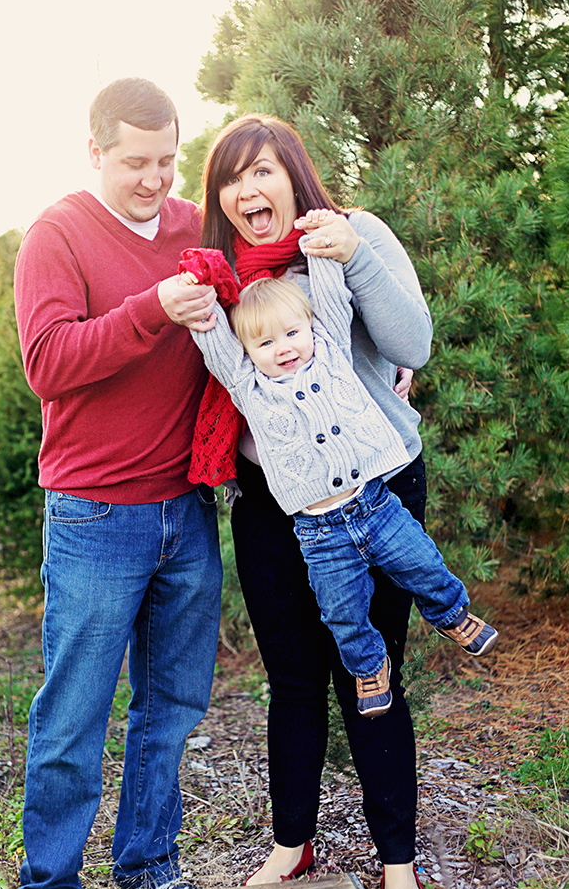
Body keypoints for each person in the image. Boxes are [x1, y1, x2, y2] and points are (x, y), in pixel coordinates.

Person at [193, 113, 439, 889]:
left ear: (294, 175)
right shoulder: (223, 278)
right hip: (277, 504)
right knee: (294, 679)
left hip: (376, 492)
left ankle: (397, 863)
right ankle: (291, 840)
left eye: (262, 170)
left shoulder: (352, 232)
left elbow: (414, 343)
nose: (248, 190)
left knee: (371, 676)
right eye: (232, 178)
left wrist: (356, 259)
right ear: (220, 197)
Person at [12, 78, 223, 889]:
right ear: (94, 151)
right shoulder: (56, 236)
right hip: (96, 516)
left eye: (169, 161)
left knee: (171, 705)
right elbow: (50, 362)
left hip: (187, 509)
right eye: (136, 162)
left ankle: (146, 864)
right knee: (74, 717)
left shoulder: (189, 227)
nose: (155, 180)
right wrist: (149, 311)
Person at [179, 260, 498, 718]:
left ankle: (451, 614)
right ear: (246, 352)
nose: (283, 348)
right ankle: (369, 667)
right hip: (320, 532)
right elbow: (215, 345)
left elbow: (332, 299)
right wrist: (201, 299)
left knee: (422, 562)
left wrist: (323, 254)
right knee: (342, 611)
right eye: (265, 342)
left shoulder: (329, 351)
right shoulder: (248, 386)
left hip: (375, 505)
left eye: (291, 333)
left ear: (309, 328)